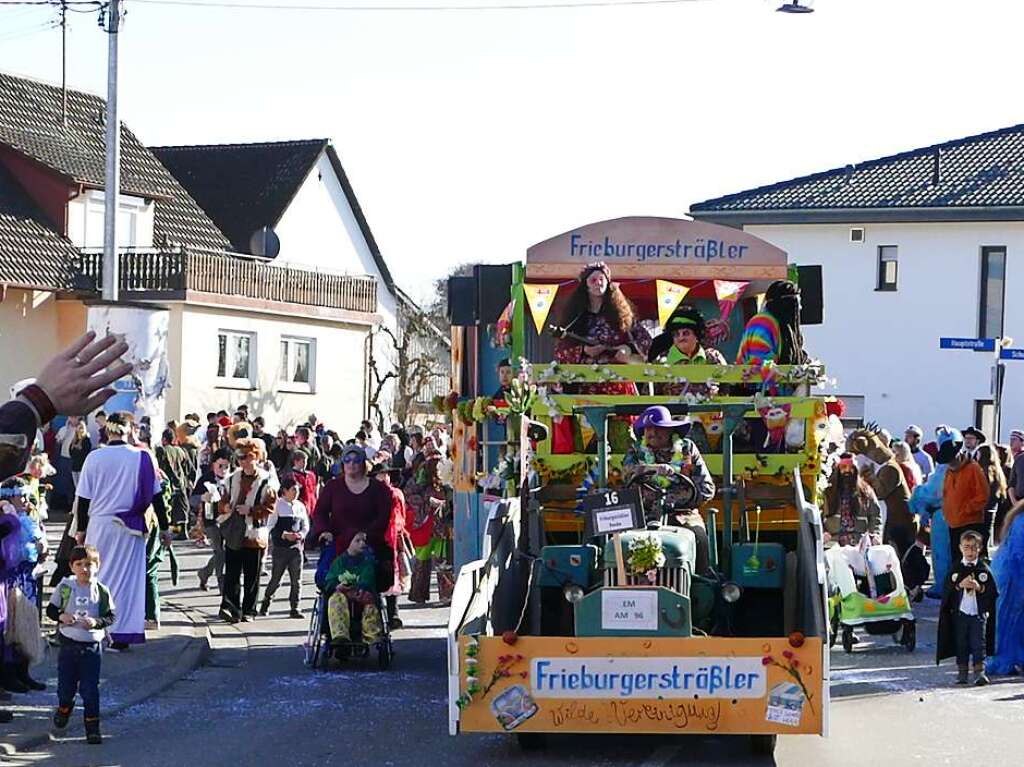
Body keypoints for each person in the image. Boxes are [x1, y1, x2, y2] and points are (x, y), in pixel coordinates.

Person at [75, 412, 170, 650]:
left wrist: (81, 530)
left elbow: (83, 498)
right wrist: (166, 527)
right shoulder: (143, 457)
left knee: (100, 576)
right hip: (130, 528)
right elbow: (157, 497)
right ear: (130, 430)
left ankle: (98, 629)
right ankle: (121, 634)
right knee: (128, 582)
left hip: (100, 524)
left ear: (107, 431)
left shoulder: (95, 457)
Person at [622, 405, 716, 575]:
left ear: (670, 430)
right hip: (643, 517)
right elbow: (627, 474)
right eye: (648, 428)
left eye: (658, 427)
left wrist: (678, 499)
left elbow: (707, 488)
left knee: (698, 535)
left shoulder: (687, 448)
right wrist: (652, 468)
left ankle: (702, 583)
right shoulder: (636, 450)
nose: (652, 432)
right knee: (620, 544)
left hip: (682, 515)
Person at [48, 545, 115, 744]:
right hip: (68, 643)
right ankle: (65, 706)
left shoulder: (101, 591)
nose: (84, 569)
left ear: (98, 566)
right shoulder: (66, 586)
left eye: (89, 564)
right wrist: (62, 616)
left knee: (90, 689)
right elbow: (51, 609)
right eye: (79, 564)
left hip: (91, 648)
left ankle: (92, 727)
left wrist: (97, 623)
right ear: (71, 566)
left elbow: (111, 616)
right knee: (65, 686)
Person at [553, 261, 653, 393]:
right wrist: (583, 351)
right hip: (586, 386)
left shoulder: (621, 316)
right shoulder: (575, 317)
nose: (598, 283)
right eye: (593, 280)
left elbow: (645, 340)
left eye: (601, 279)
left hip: (619, 384)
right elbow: (560, 351)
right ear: (586, 285)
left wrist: (627, 350)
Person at [314, 445, 395, 604]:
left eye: (356, 460)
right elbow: (320, 512)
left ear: (363, 463)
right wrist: (324, 531)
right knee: (326, 575)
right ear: (342, 463)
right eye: (347, 460)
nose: (352, 464)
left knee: (374, 572)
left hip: (368, 541)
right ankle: (328, 623)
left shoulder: (378, 489)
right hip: (338, 541)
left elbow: (384, 517)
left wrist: (365, 536)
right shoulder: (333, 486)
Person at [217, 438, 276, 623]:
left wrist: (251, 510)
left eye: (247, 457)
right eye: (240, 457)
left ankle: (249, 610)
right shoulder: (232, 478)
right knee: (232, 573)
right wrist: (224, 507)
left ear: (256, 457)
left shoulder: (267, 480)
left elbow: (270, 508)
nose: (243, 461)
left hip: (254, 534)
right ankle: (232, 609)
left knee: (252, 575)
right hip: (234, 531)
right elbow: (222, 500)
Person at [0, 477, 48, 693]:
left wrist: (42, 548)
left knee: (28, 624)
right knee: (13, 627)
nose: (24, 499)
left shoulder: (28, 517)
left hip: (29, 577)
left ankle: (24, 672)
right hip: (13, 579)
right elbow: (12, 552)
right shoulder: (6, 520)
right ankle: (9, 675)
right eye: (20, 495)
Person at [937, 530, 997, 686]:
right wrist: (958, 586)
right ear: (960, 548)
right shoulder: (956, 569)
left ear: (980, 548)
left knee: (979, 643)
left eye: (973, 547)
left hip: (978, 613)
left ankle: (979, 672)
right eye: (966, 547)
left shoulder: (984, 569)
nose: (970, 551)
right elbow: (947, 591)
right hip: (960, 614)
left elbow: (993, 592)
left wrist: (980, 588)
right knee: (961, 643)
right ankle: (962, 672)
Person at [847, 425, 916, 558]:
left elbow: (880, 492)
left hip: (900, 522)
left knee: (898, 557)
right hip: (892, 521)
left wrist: (869, 477)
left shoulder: (890, 468)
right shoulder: (883, 467)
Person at [648, 305, 728, 399]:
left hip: (708, 411)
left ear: (696, 335)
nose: (681, 337)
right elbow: (650, 393)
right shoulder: (662, 361)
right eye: (676, 334)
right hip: (675, 412)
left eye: (686, 333)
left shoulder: (713, 357)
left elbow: (726, 386)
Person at [259, 477, 308, 619]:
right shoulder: (278, 506)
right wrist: (282, 535)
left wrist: (300, 535)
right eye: (293, 490)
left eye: (297, 490)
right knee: (276, 579)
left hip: (296, 548)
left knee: (296, 580)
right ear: (285, 491)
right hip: (281, 549)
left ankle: (295, 607)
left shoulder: (300, 506)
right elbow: (270, 526)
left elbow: (306, 525)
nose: (296, 493)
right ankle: (266, 602)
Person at [404, 456, 450, 604]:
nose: (439, 471)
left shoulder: (445, 483)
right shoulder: (417, 483)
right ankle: (418, 594)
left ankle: (446, 595)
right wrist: (427, 501)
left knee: (442, 562)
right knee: (421, 562)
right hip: (424, 527)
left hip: (440, 528)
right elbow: (409, 497)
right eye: (437, 468)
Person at [324, 531, 382, 646]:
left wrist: (360, 589)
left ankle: (371, 635)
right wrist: (337, 586)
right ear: (348, 543)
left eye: (364, 540)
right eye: (358, 540)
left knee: (369, 602)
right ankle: (340, 634)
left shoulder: (367, 562)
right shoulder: (339, 562)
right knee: (336, 598)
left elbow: (367, 579)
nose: (362, 543)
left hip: (360, 594)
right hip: (342, 593)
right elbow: (330, 580)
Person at [942, 432, 991, 563]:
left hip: (971, 524)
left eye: (951, 460)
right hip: (954, 524)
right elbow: (946, 493)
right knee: (958, 563)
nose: (949, 463)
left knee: (974, 562)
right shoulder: (949, 472)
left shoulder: (973, 469)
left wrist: (966, 510)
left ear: (958, 455)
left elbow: (983, 496)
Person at [987, 501, 1024, 676]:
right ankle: (1007, 661)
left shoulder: (1018, 518)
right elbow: (1019, 554)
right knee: (1010, 620)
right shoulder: (1021, 522)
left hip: (1008, 571)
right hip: (1012, 576)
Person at [735, 279, 809, 365]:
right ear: (786, 304)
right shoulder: (762, 324)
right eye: (797, 304)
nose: (800, 308)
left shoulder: (781, 326)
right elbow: (759, 365)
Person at [371, 463, 409, 629]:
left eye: (385, 473)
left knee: (393, 576)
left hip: (393, 539)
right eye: (380, 474)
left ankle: (394, 614)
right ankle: (376, 616)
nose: (383, 476)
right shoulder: (370, 494)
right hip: (375, 538)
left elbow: (402, 516)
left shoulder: (396, 493)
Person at [191, 448, 232, 592]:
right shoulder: (205, 479)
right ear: (213, 464)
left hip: (228, 519)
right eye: (220, 466)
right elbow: (192, 499)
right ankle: (222, 584)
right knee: (219, 551)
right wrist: (203, 497)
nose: (223, 469)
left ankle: (204, 573)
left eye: (226, 466)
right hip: (211, 520)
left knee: (226, 551)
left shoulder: (232, 479)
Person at [822, 453, 882, 547]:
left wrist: (874, 535)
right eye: (843, 467)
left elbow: (875, 516)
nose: (847, 470)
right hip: (832, 542)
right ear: (838, 469)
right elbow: (818, 516)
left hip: (858, 542)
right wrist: (823, 532)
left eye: (851, 468)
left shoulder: (866, 491)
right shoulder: (828, 491)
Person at [156, 428, 192, 531]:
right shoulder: (181, 450)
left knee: (167, 507)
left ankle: (168, 530)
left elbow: (160, 467)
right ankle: (182, 531)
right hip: (181, 481)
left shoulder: (162, 450)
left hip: (168, 482)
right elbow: (188, 467)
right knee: (181, 507)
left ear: (164, 439)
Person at [976, 444, 1009, 549]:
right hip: (992, 510)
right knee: (985, 539)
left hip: (981, 510)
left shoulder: (983, 472)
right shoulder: (998, 471)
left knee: (978, 541)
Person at [68, 419, 92, 488]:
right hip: (74, 467)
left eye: (82, 428)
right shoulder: (74, 440)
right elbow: (71, 452)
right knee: (76, 486)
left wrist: (78, 449)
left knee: (82, 487)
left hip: (82, 467)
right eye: (79, 428)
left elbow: (86, 453)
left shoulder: (86, 440)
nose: (80, 430)